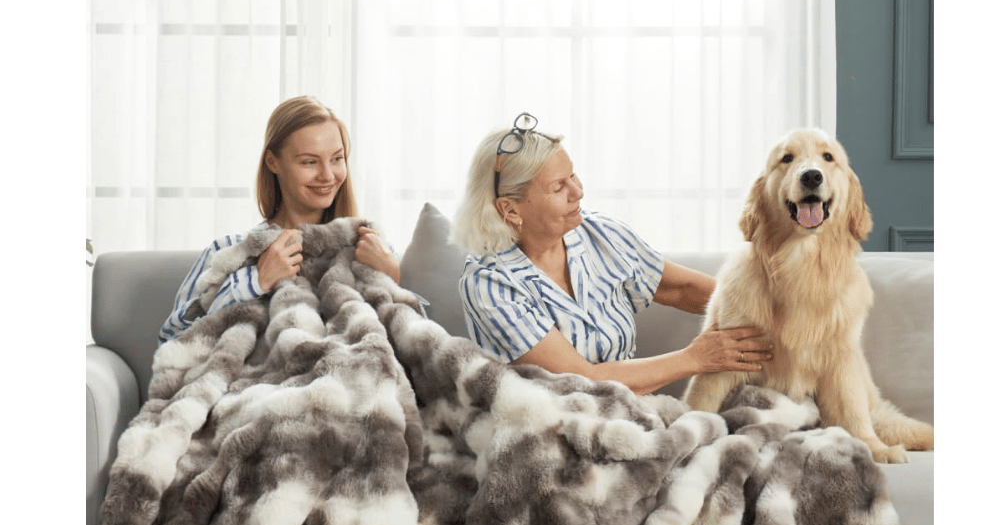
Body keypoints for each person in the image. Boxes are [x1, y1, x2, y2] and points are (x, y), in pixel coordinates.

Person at [452, 113, 772, 396]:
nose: (578, 191)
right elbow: (582, 381)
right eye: (558, 186)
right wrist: (695, 358)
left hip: (624, 419)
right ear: (510, 209)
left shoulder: (600, 234)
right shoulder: (489, 284)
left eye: (573, 175)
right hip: (542, 435)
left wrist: (773, 312)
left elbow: (680, 289)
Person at [159, 96, 399, 342]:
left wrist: (393, 277)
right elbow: (171, 340)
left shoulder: (370, 247)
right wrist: (256, 281)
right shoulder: (228, 252)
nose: (327, 175)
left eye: (337, 159)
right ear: (273, 162)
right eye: (309, 162)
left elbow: (415, 349)